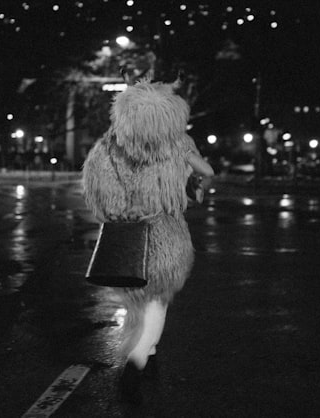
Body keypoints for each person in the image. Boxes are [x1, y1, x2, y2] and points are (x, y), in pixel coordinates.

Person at [81, 79, 214, 403]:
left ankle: (149, 352)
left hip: (124, 240)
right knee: (155, 303)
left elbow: (97, 198)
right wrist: (197, 187)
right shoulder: (177, 145)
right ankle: (137, 361)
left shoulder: (107, 147)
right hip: (164, 237)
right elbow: (206, 172)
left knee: (136, 302)